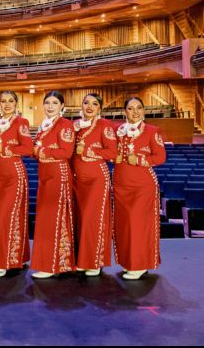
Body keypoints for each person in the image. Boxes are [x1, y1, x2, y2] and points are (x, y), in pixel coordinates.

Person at [113, 97, 167, 280]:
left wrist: (141, 160)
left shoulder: (152, 131)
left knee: (138, 224)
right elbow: (110, 150)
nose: (135, 112)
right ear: (124, 111)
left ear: (144, 110)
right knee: (125, 225)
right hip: (121, 183)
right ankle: (129, 262)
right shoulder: (117, 131)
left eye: (138, 108)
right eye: (130, 108)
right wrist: (114, 158)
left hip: (142, 184)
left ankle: (140, 265)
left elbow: (160, 157)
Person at [30, 91, 76, 279]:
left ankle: (53, 264)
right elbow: (34, 151)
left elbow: (65, 152)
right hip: (45, 173)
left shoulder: (65, 125)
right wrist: (41, 151)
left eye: (54, 103)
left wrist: (40, 150)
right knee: (46, 218)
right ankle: (50, 262)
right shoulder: (44, 126)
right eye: (47, 103)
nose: (50, 106)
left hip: (58, 173)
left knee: (54, 217)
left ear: (62, 107)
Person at [71, 93, 118, 277]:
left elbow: (112, 152)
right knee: (81, 219)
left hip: (97, 178)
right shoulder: (74, 126)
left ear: (100, 108)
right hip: (77, 180)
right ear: (81, 106)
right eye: (86, 103)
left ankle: (94, 261)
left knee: (93, 219)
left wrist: (88, 150)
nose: (90, 106)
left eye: (94, 104)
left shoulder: (105, 125)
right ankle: (82, 259)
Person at [0, 91, 33, 278]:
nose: (7, 104)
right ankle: (19, 257)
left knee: (8, 216)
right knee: (10, 216)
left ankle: (4, 260)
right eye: (3, 101)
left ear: (16, 104)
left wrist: (6, 148)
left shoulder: (20, 122)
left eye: (11, 101)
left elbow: (28, 148)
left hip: (15, 173)